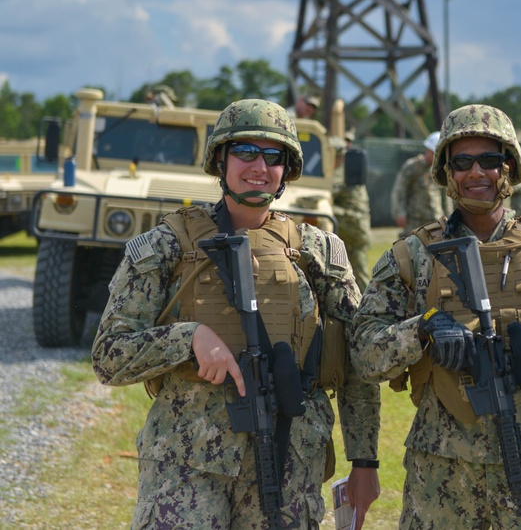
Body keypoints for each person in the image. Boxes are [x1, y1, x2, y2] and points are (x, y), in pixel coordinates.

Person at [91, 99, 381, 529]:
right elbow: (108, 356)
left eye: (273, 155)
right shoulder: (167, 245)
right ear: (220, 160)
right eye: (245, 151)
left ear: (287, 169)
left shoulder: (318, 251)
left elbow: (357, 363)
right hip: (186, 462)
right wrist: (187, 338)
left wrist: (365, 462)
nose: (258, 166)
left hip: (288, 465)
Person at [351, 105, 521, 530]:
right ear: (447, 172)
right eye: (462, 162)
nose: (477, 173)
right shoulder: (411, 257)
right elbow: (363, 353)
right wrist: (420, 327)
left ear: (509, 168)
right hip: (440, 476)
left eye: (490, 160)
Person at [332, 130, 372, 291]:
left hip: (353, 228)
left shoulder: (346, 172)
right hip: (350, 229)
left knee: (359, 275)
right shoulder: (344, 170)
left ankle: (368, 308)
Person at [390, 130, 447, 235]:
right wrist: (399, 213)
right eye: (434, 153)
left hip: (436, 219)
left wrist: (449, 216)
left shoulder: (441, 170)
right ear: (427, 150)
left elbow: (445, 195)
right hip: (415, 220)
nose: (437, 157)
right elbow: (400, 190)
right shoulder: (412, 167)